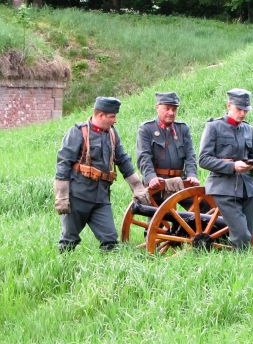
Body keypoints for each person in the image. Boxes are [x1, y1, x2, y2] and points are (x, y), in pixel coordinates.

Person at [54, 97, 149, 252]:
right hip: (77, 198)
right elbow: (63, 164)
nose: (115, 120)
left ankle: (108, 274)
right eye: (112, 116)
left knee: (110, 241)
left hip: (101, 199)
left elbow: (123, 160)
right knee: (68, 241)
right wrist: (62, 196)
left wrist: (137, 187)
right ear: (100, 115)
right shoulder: (78, 132)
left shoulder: (112, 134)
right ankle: (63, 269)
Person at [199, 88, 253, 249]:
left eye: (246, 110)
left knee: (248, 233)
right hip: (223, 189)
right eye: (239, 109)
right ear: (228, 105)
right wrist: (232, 166)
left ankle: (243, 265)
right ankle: (240, 267)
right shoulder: (214, 127)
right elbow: (203, 159)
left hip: (247, 189)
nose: (243, 114)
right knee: (242, 235)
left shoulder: (248, 129)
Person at [136, 92, 199, 204]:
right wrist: (151, 178)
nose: (171, 112)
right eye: (167, 108)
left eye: (174, 109)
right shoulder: (146, 129)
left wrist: (192, 175)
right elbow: (144, 157)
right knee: (157, 218)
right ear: (157, 107)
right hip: (158, 183)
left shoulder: (183, 129)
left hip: (181, 182)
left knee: (203, 209)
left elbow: (190, 156)